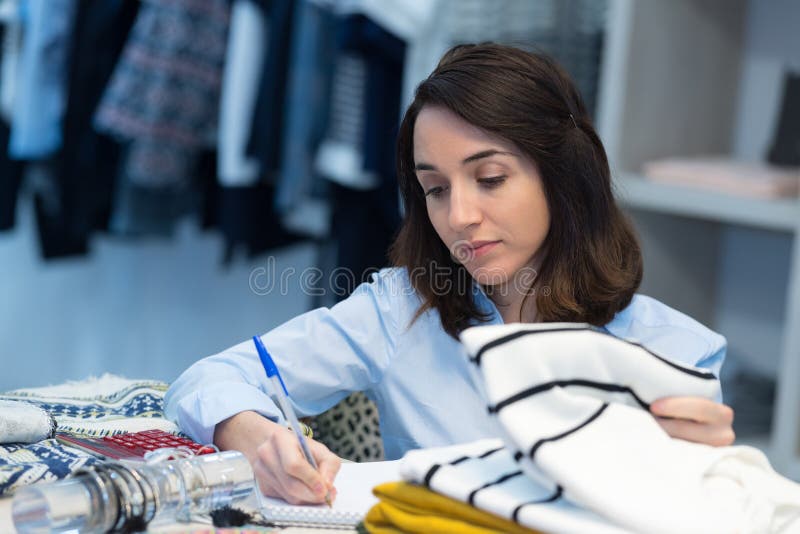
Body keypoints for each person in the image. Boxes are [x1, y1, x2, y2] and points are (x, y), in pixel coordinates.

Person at [165, 43, 735, 506]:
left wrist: (705, 474)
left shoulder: (673, 352)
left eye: (489, 178)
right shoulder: (399, 309)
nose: (458, 216)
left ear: (562, 177)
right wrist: (257, 436)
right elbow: (205, 381)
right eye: (435, 189)